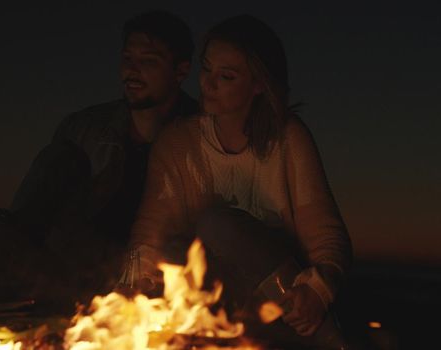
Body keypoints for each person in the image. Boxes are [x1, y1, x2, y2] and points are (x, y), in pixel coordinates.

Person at [129, 15, 352, 347]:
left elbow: (326, 236)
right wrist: (132, 285)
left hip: (287, 310)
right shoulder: (176, 144)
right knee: (177, 251)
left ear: (258, 84)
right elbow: (152, 229)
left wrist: (318, 291)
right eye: (206, 69)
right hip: (215, 306)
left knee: (218, 224)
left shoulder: (288, 139)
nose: (208, 84)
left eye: (226, 76)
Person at [0, 10, 198, 312]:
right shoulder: (86, 128)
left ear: (180, 70)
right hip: (83, 266)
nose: (132, 71)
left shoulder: (199, 133)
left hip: (158, 274)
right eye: (127, 59)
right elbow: (39, 208)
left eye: (148, 61)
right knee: (59, 160)